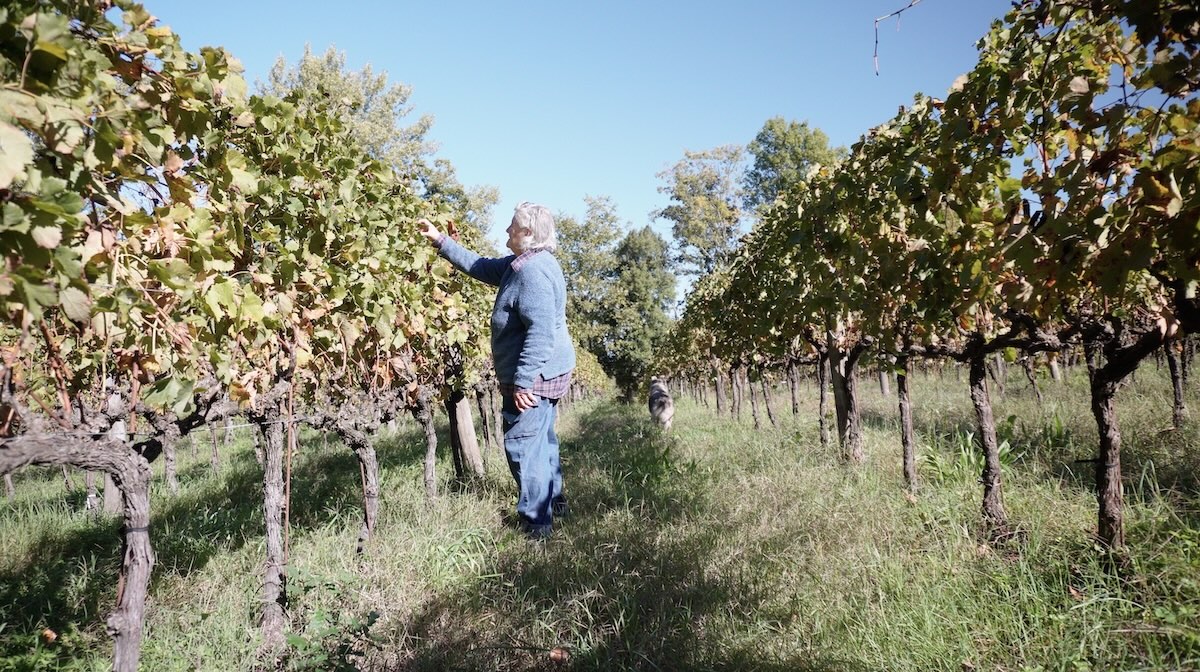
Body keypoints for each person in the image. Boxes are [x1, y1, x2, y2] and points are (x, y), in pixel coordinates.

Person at [417, 203, 575, 539]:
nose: (507, 230)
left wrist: (523, 383)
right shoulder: (530, 262)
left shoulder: (530, 273)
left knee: (523, 445)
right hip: (551, 371)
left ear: (527, 233)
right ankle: (555, 504)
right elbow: (481, 266)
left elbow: (541, 332)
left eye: (512, 226)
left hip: (535, 376)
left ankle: (537, 526)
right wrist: (440, 240)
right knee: (542, 441)